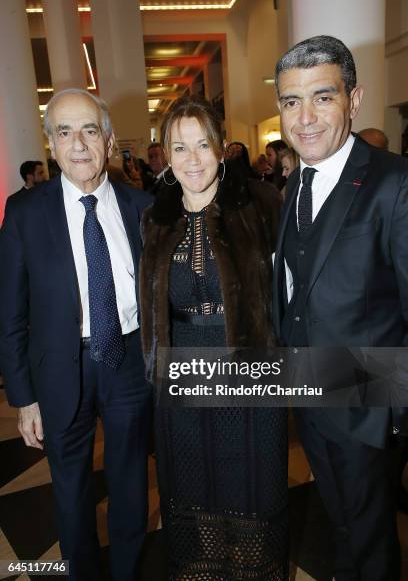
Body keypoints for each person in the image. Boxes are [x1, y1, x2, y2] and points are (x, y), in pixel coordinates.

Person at [0, 88, 152, 581]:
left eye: (89, 130)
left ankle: (127, 571)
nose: (79, 143)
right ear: (51, 144)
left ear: (108, 141)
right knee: (70, 488)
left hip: (129, 360)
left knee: (131, 480)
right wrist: (23, 398)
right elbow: (10, 313)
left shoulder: (142, 206)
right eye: (64, 132)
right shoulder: (24, 213)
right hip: (60, 369)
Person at [272, 34, 408, 581]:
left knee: (373, 542)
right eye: (290, 101)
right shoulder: (295, 183)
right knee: (343, 528)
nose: (304, 118)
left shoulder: (395, 183)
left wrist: (392, 411)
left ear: (353, 100)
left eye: (322, 97)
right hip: (309, 396)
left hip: (369, 404)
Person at [140, 95, 289, 580]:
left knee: (250, 480)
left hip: (247, 369)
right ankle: (204, 570)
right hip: (181, 371)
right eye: (180, 148)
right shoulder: (154, 219)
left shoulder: (260, 204)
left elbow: (287, 291)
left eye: (202, 144)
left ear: (221, 147)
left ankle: (253, 570)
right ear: (164, 155)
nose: (193, 159)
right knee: (193, 481)